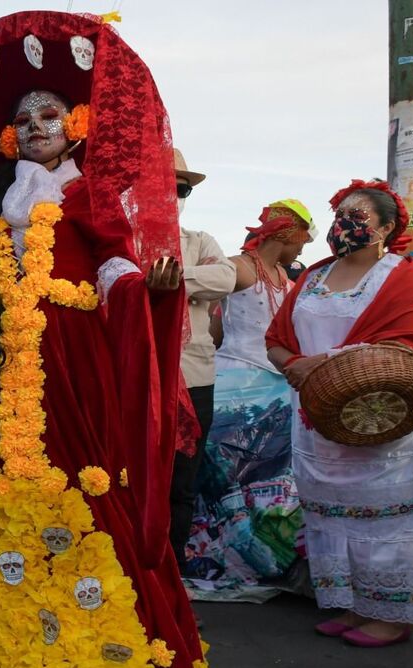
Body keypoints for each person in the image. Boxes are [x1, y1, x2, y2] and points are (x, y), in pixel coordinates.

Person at [0, 11, 220, 668]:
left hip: (76, 363)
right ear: (5, 136)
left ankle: (115, 654)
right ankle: (5, 647)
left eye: (49, 113)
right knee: (8, 471)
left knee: (89, 475)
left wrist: (153, 290)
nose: (35, 125)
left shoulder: (88, 194)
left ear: (77, 121)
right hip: (10, 366)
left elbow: (117, 268)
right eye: (22, 119)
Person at [267, 179, 413, 647]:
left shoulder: (402, 277)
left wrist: (322, 364)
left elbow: (408, 342)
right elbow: (277, 339)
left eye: (357, 217)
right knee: (331, 516)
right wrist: (294, 366)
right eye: (340, 214)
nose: (344, 224)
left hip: (378, 418)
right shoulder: (314, 275)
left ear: (385, 228)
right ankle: (351, 603)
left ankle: (390, 613)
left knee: (383, 518)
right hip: (318, 417)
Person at [187, 200, 314, 594]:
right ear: (285, 234)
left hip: (277, 392)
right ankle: (220, 556)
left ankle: (267, 557)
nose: (303, 249)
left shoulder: (285, 277)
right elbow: (205, 316)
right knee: (226, 479)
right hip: (235, 389)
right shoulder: (237, 268)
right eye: (301, 239)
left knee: (280, 479)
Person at [168, 149, 237, 572]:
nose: (176, 194)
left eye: (182, 188)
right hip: (139, 377)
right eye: (170, 184)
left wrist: (174, 277)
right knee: (134, 482)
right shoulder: (122, 237)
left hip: (192, 378)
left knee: (182, 484)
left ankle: (172, 583)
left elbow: (225, 278)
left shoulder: (199, 240)